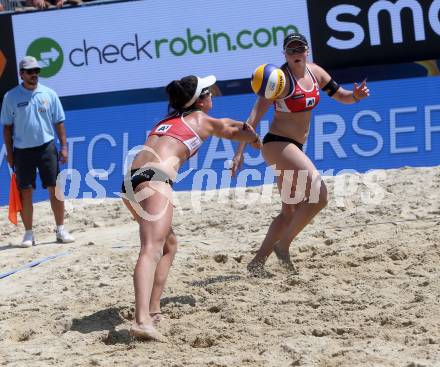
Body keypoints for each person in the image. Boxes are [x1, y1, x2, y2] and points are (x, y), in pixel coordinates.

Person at [121, 74, 262, 341]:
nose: (213, 96)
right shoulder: (201, 120)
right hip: (155, 181)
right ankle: (141, 321)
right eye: (208, 92)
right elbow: (235, 129)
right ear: (200, 99)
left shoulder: (166, 122)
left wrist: (248, 133)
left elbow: (231, 125)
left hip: (131, 183)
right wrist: (254, 139)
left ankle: (152, 309)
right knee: (150, 249)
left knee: (168, 245)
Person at [231, 32, 370, 277]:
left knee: (290, 212)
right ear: (284, 54)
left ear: (307, 51)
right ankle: (282, 246)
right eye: (291, 50)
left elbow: (341, 95)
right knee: (320, 195)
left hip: (294, 146)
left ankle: (257, 264)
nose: (296, 54)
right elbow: (252, 119)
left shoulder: (316, 72)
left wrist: (355, 96)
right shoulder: (278, 80)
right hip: (277, 144)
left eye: (300, 49)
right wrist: (238, 153)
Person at [1, 56, 75, 247]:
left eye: (36, 71)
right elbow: (7, 128)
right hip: (22, 151)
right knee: (25, 191)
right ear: (21, 74)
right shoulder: (11, 97)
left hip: (46, 147)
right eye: (30, 71)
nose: (34, 75)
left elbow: (59, 122)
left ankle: (60, 229)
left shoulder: (49, 94)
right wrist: (9, 154)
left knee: (55, 189)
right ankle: (28, 233)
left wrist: (64, 147)